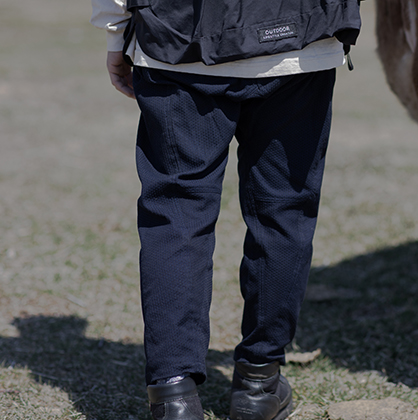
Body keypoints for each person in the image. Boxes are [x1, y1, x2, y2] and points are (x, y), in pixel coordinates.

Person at [91, 0, 361, 419]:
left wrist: (114, 32)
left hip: (178, 45)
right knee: (283, 211)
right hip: (299, 43)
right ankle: (258, 383)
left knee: (176, 214)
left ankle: (173, 394)